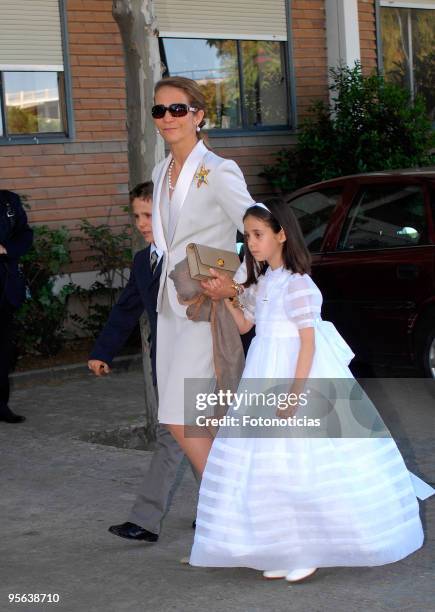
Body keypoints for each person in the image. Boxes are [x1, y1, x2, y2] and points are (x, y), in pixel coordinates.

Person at [189, 201, 435, 582]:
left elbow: (308, 343)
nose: (250, 243)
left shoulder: (299, 284)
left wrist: (295, 391)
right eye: (247, 236)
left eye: (258, 235)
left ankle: (310, 548)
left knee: (304, 461)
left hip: (296, 375)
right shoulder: (264, 283)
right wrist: (226, 298)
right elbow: (244, 326)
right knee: (271, 464)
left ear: (281, 234)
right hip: (263, 371)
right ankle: (285, 545)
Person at [151, 76, 255, 475]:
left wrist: (237, 283)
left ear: (199, 115)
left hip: (204, 310)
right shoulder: (161, 171)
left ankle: (225, 501)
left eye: (177, 109)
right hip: (169, 309)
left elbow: (257, 231)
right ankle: (226, 510)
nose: (167, 118)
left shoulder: (219, 170)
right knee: (203, 418)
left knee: (179, 416)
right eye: (159, 110)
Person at [88, 182, 196, 542]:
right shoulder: (142, 261)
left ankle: (146, 520)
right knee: (193, 436)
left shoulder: (192, 254)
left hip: (198, 362)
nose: (142, 223)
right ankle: (219, 507)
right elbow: (125, 310)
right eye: (136, 216)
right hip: (163, 361)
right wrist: (103, 351)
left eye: (149, 214)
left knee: (175, 436)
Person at [0, 190, 33, 424]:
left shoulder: (9, 201)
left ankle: (1, 406)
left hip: (5, 289)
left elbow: (25, 234)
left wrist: (7, 249)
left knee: (3, 352)